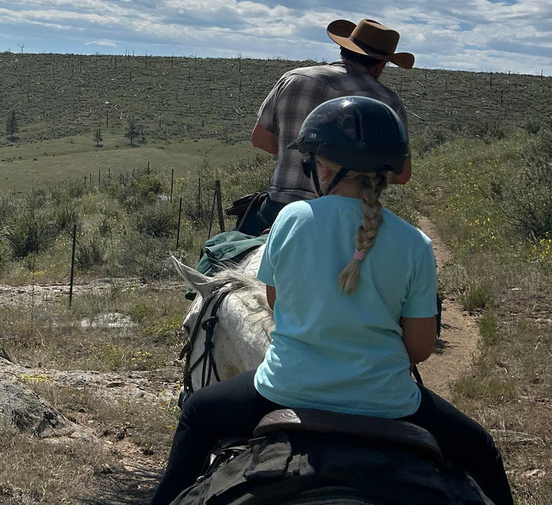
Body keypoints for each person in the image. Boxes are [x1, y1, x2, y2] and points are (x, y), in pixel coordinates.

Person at [150, 96, 513, 505]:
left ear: (321, 168)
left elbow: (275, 302)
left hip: (285, 390)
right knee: (482, 449)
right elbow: (420, 349)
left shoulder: (292, 218)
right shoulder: (416, 244)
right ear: (388, 172)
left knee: (197, 414)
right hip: (391, 402)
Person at [236, 18, 414, 236]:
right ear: (380, 65)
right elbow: (402, 174)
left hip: (280, 207)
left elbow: (260, 139)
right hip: (349, 215)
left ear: (343, 50)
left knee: (225, 249)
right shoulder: (388, 101)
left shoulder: (294, 78)